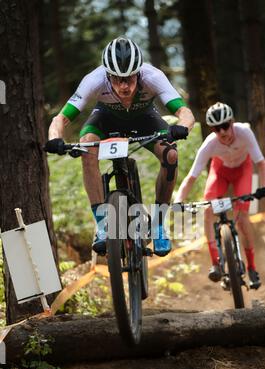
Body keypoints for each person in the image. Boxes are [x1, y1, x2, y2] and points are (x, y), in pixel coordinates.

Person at [45, 37, 195, 257]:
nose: (124, 86)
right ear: (107, 75)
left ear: (139, 73)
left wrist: (182, 127)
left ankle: (159, 224)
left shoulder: (153, 76)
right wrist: (55, 138)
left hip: (144, 119)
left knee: (171, 154)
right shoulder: (93, 80)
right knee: (87, 148)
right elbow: (61, 118)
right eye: (117, 79)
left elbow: (185, 112)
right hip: (105, 119)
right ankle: (103, 224)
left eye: (130, 78)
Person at [174, 102, 265, 289]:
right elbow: (191, 177)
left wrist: (264, 187)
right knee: (208, 211)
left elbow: (262, 163)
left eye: (225, 126)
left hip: (243, 170)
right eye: (217, 129)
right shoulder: (210, 143)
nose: (223, 132)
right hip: (220, 171)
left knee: (242, 220)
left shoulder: (244, 132)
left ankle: (252, 267)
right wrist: (178, 200)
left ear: (232, 122)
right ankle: (216, 263)